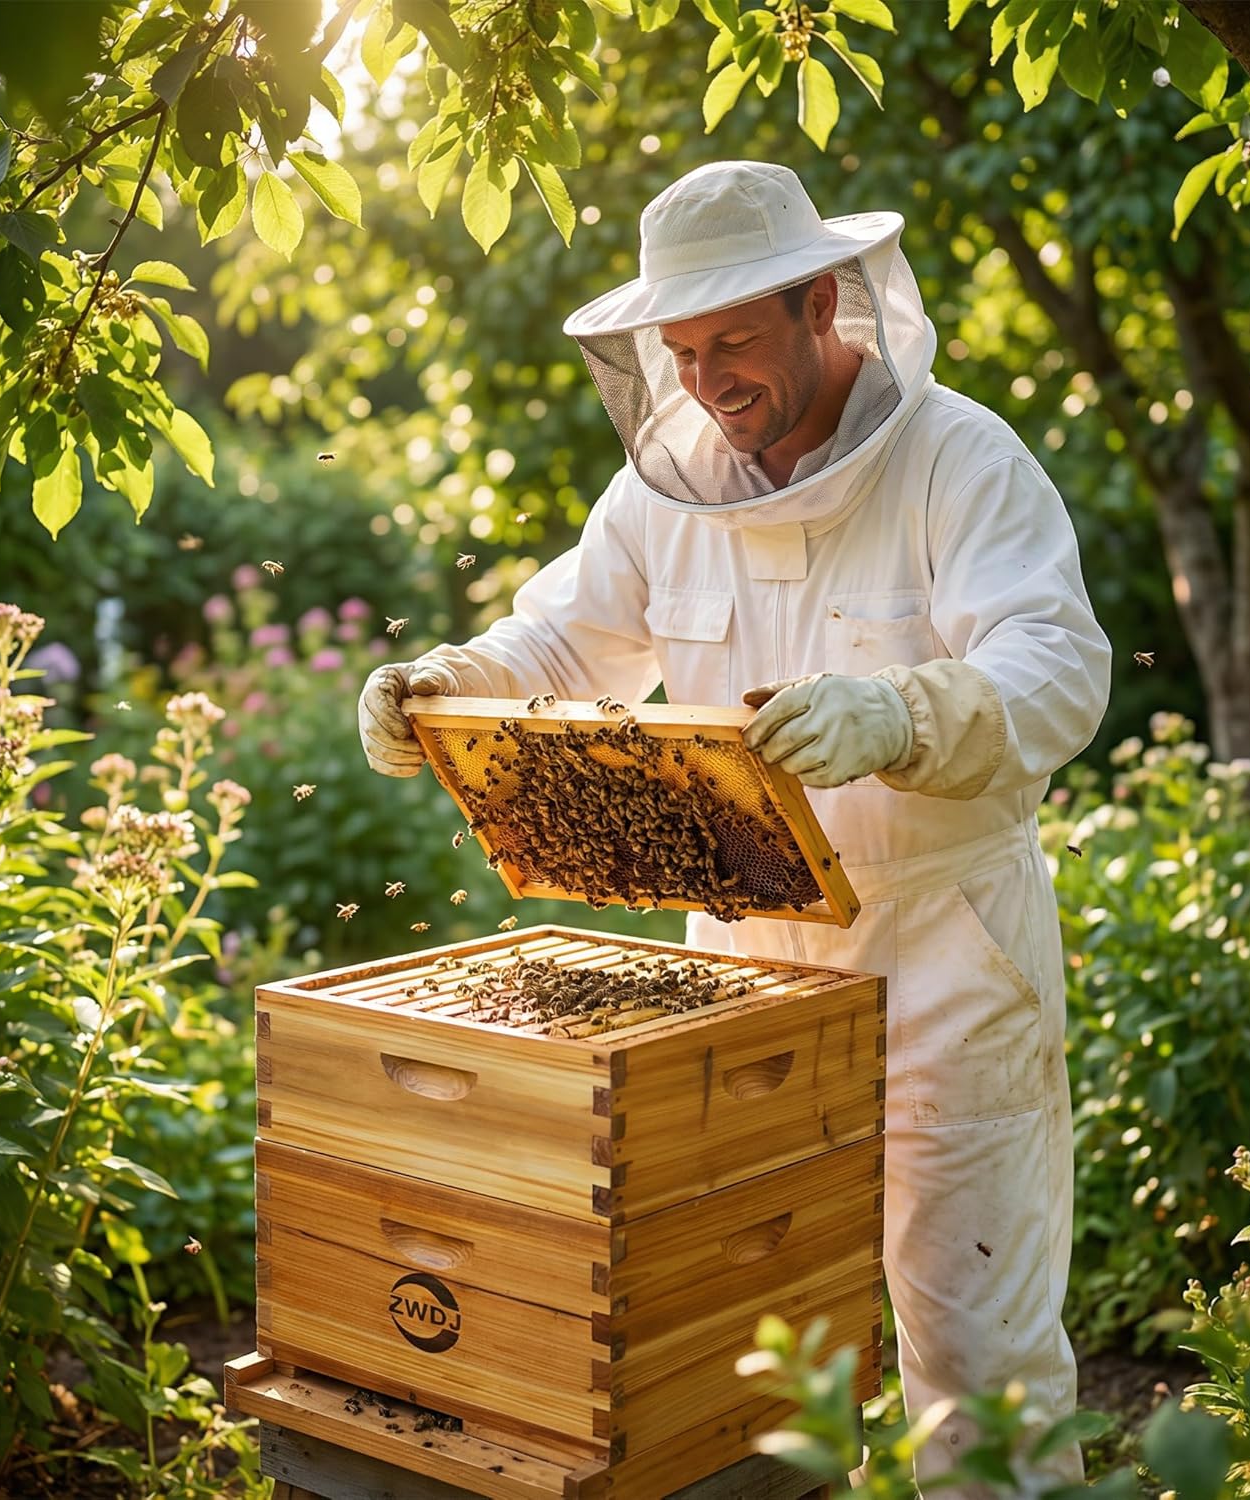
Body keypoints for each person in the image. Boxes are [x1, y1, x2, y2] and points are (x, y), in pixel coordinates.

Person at [358, 160, 1110, 1494]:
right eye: (683, 352)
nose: (707, 381)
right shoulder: (666, 489)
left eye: (735, 344)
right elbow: (566, 635)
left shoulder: (960, 460)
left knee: (973, 1347)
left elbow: (1057, 665)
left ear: (822, 303)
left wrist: (903, 713)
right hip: (742, 965)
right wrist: (454, 686)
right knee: (732, 1344)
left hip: (942, 950)